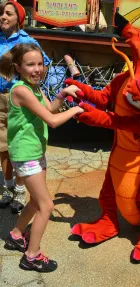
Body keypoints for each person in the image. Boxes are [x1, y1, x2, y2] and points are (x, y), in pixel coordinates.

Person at [0, 43, 83, 272]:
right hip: (26, 156)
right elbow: (53, 121)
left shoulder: (34, 88)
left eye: (40, 64)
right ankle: (32, 255)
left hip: (35, 152)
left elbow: (51, 109)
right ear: (18, 67)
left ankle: (17, 235)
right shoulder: (21, 90)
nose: (37, 69)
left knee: (37, 201)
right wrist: (76, 110)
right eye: (30, 65)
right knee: (46, 205)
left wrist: (62, 95)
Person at [0, 0, 51, 213]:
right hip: (0, 99)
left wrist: (35, 90)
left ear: (19, 19)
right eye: (1, 13)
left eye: (8, 14)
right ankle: (8, 187)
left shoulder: (27, 41)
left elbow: (44, 64)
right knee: (3, 148)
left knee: (18, 147)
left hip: (20, 100)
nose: (3, 17)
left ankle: (20, 191)